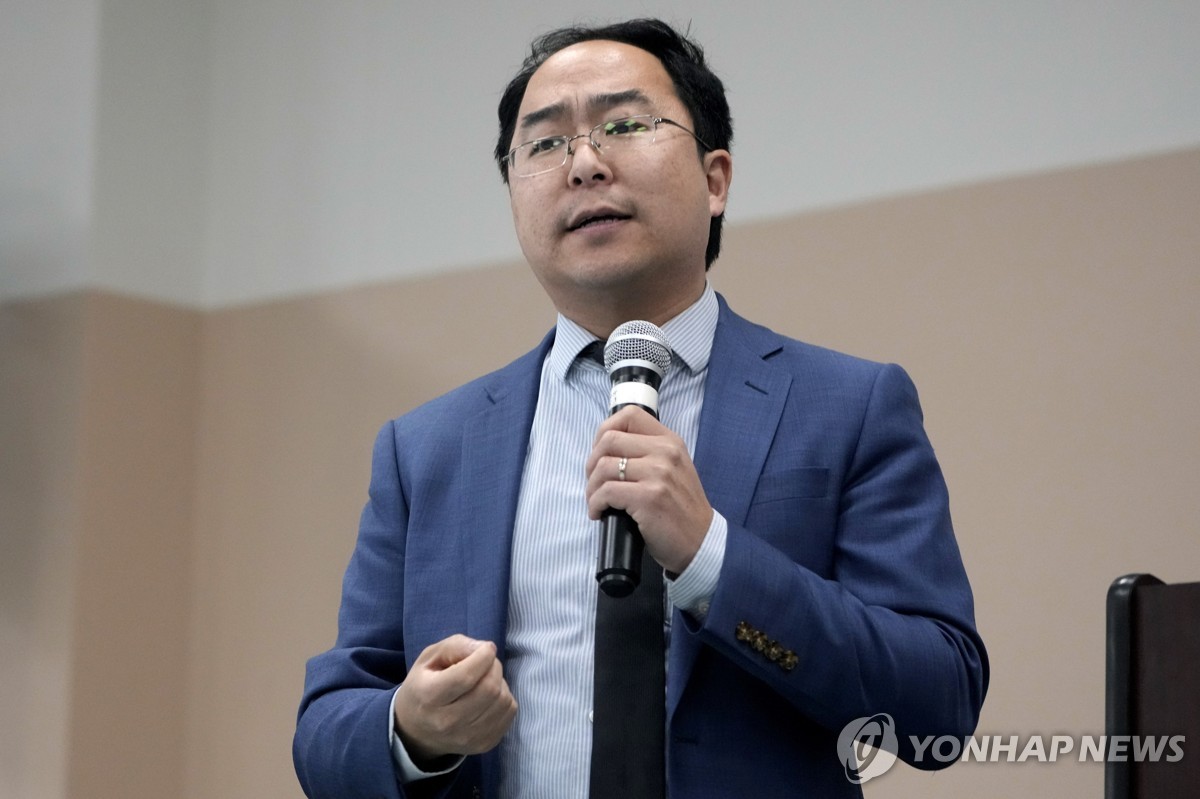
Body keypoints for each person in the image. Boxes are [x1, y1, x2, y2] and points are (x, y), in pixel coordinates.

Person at [294, 17, 987, 799]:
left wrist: (711, 557)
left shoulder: (850, 406)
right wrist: (413, 730)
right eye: (545, 143)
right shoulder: (428, 448)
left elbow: (939, 703)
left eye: (624, 124)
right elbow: (326, 729)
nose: (584, 163)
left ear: (716, 177)